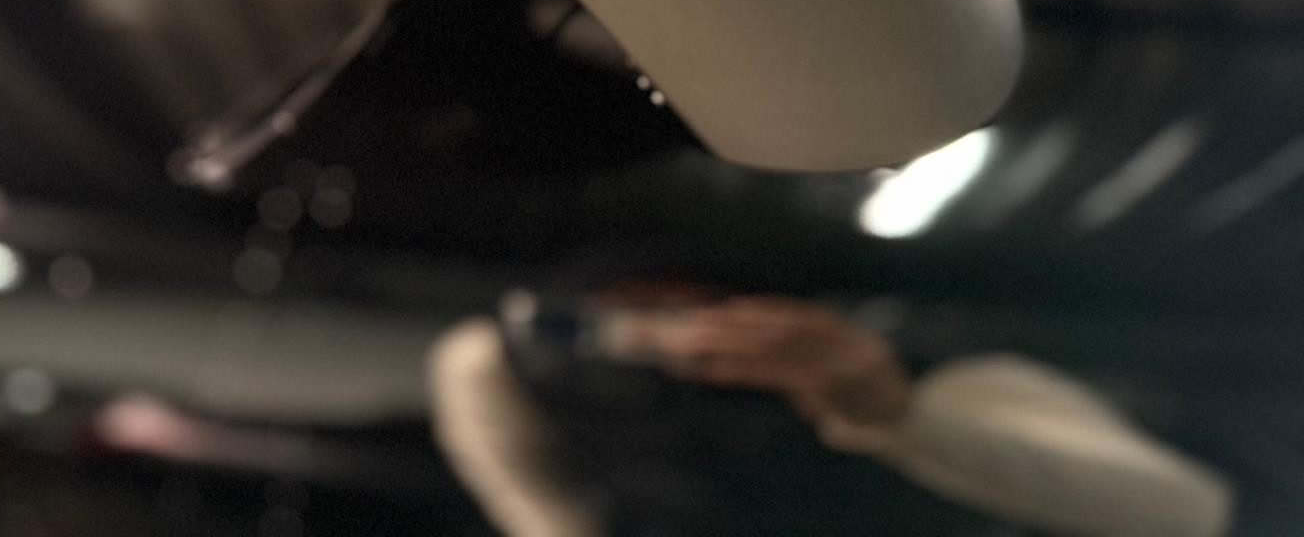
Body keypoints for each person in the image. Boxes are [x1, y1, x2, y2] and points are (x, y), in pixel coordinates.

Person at [430, 289, 1233, 537]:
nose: (679, 332)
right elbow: (538, 511)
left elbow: (1186, 511)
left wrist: (894, 416)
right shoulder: (506, 366)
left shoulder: (951, 374)